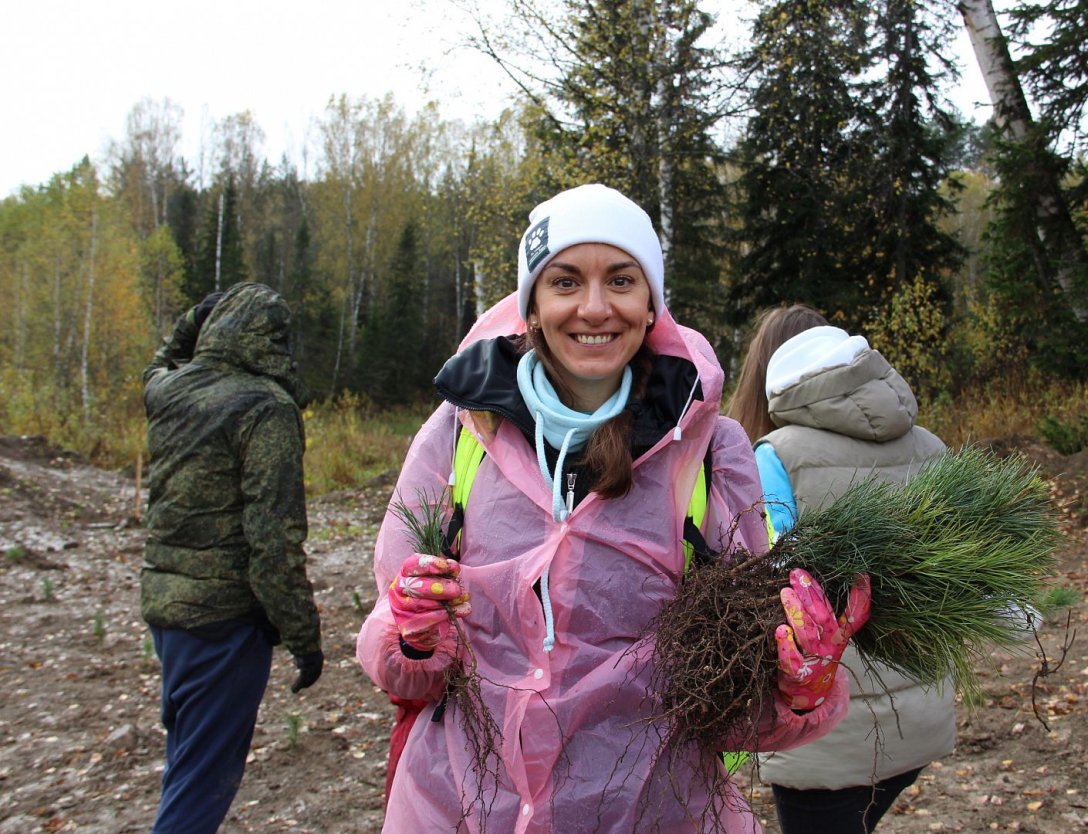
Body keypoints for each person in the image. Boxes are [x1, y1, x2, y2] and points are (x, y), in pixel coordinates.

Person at [356, 184, 869, 833]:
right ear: (532, 305)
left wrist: (798, 688)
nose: (594, 307)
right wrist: (409, 633)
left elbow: (736, 703)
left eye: (621, 280)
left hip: (653, 814)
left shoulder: (711, 452)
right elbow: (399, 656)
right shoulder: (460, 433)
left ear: (651, 301)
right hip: (458, 810)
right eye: (565, 281)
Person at [726, 305, 955, 834]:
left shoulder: (776, 455)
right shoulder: (931, 447)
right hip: (919, 715)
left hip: (827, 731)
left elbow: (764, 573)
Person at [141, 282, 324, 834]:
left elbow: (159, 361)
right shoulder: (264, 409)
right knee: (199, 787)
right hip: (224, 624)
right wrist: (304, 637)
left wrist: (190, 321)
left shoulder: (170, 392)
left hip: (167, 612)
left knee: (187, 760)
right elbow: (273, 541)